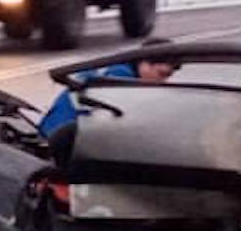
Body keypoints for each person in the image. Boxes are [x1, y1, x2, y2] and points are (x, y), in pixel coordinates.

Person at [39, 39, 178, 162]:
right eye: (162, 74)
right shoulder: (121, 79)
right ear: (144, 63)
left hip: (56, 135)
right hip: (61, 145)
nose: (163, 81)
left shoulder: (114, 68)